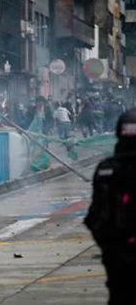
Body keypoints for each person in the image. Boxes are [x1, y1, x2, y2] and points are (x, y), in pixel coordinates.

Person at [85, 109, 136, 305]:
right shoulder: (107, 170)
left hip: (116, 258)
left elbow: (95, 218)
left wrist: (110, 248)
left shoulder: (106, 170)